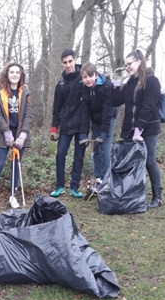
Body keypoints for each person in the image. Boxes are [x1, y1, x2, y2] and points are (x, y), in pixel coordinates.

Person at [112, 49, 163, 208]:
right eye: (125, 65)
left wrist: (138, 129)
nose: (127, 67)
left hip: (148, 129)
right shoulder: (129, 83)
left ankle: (158, 196)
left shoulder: (151, 81)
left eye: (130, 64)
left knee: (149, 161)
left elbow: (148, 107)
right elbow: (115, 101)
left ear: (139, 62)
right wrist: (117, 81)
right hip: (129, 129)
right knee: (131, 163)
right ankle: (132, 194)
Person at [0, 62, 32, 213]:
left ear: (21, 75)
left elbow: (29, 115)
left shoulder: (26, 92)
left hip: (19, 134)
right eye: (12, 72)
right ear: (7, 74)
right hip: (3, 134)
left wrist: (23, 135)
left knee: (16, 165)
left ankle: (12, 196)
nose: (15, 75)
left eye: (17, 72)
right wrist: (7, 132)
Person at [49, 49, 87, 198]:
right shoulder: (61, 84)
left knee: (79, 156)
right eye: (65, 62)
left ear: (75, 60)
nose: (68, 65)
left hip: (82, 124)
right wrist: (54, 128)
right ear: (62, 63)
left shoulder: (84, 78)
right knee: (60, 154)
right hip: (65, 124)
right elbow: (56, 108)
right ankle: (59, 186)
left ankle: (75, 187)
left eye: (70, 61)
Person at [80, 62, 117, 190]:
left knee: (104, 148)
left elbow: (108, 110)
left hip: (108, 119)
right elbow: (84, 112)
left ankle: (106, 181)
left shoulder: (107, 86)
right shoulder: (84, 88)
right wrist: (83, 133)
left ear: (96, 75)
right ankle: (97, 178)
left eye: (90, 76)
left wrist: (103, 133)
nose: (88, 80)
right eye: (84, 77)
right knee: (96, 149)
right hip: (95, 120)